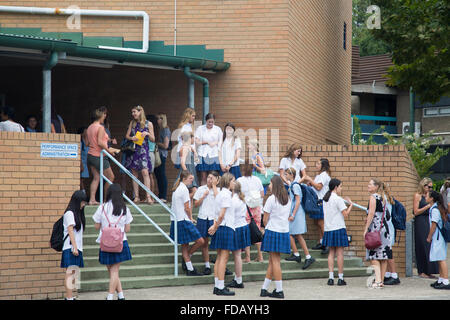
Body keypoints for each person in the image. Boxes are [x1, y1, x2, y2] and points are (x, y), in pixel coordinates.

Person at [93, 184, 133, 300]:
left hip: (105, 242)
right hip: (120, 241)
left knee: (112, 271)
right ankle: (120, 295)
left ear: (108, 193)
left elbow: (96, 226)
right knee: (114, 271)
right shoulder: (125, 208)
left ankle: (110, 297)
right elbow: (127, 229)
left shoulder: (102, 207)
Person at [260, 175, 291, 299]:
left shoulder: (272, 199)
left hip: (273, 230)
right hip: (284, 231)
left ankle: (279, 290)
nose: (269, 186)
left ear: (275, 184)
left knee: (275, 261)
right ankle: (264, 288)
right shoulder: (287, 198)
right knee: (272, 262)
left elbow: (265, 219)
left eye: (270, 184)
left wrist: (266, 229)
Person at [171, 170, 205, 276]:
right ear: (184, 178)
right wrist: (191, 218)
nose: (192, 181)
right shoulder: (183, 189)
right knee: (200, 241)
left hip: (177, 220)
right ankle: (188, 259)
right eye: (190, 178)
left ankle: (189, 267)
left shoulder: (178, 188)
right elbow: (187, 207)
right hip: (183, 220)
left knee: (185, 246)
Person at [208, 173, 238, 296]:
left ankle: (217, 286)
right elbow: (221, 214)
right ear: (228, 182)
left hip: (221, 227)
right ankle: (220, 287)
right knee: (223, 258)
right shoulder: (226, 195)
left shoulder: (220, 194)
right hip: (225, 227)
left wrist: (215, 226)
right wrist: (215, 226)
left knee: (220, 258)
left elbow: (218, 215)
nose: (235, 183)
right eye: (233, 181)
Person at [86, 107, 120, 205]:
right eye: (104, 115)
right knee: (110, 177)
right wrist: (109, 151)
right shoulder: (100, 127)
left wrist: (107, 140)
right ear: (100, 116)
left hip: (91, 155)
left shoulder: (90, 127)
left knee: (96, 178)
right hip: (99, 155)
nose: (105, 116)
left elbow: (88, 143)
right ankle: (106, 200)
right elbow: (100, 143)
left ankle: (92, 199)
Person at [322, 178, 353, 286]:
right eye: (340, 186)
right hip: (338, 227)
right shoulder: (338, 199)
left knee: (331, 253)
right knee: (339, 253)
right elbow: (345, 215)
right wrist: (351, 205)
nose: (341, 188)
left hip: (328, 228)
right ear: (336, 187)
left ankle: (330, 278)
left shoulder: (325, 198)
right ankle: (340, 278)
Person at [284, 168, 315, 270]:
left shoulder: (295, 185)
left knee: (295, 234)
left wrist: (292, 214)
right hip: (295, 212)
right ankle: (298, 254)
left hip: (297, 213)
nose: (285, 176)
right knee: (294, 234)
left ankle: (306, 256)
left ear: (291, 175)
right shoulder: (292, 185)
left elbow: (298, 201)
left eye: (286, 174)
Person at [364, 179, 393, 289]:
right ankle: (381, 281)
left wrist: (366, 229)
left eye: (370, 184)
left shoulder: (373, 197)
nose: (368, 185)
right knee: (384, 256)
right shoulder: (383, 197)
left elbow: (371, 213)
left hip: (375, 229)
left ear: (376, 187)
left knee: (374, 255)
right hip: (384, 229)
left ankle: (377, 280)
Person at [124, 105, 155, 204]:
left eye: (135, 112)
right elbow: (127, 136)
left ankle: (148, 196)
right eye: (132, 112)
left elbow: (153, 139)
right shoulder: (132, 123)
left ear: (140, 112)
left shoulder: (148, 124)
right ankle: (136, 196)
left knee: (145, 172)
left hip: (143, 150)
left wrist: (148, 134)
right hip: (134, 150)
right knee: (134, 173)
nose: (133, 114)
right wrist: (132, 138)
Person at [60, 190, 88, 300]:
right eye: (82, 202)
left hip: (76, 247)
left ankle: (71, 296)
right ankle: (69, 297)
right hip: (70, 247)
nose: (83, 204)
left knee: (74, 272)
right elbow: (70, 231)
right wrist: (75, 247)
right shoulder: (69, 213)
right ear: (77, 201)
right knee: (70, 272)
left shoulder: (77, 214)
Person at [301, 158, 332, 255]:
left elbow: (319, 187)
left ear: (323, 166)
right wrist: (311, 183)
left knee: (321, 223)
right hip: (316, 201)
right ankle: (321, 242)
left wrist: (309, 179)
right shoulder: (319, 175)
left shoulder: (324, 175)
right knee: (317, 223)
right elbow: (316, 187)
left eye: (318, 164)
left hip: (321, 201)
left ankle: (328, 245)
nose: (316, 165)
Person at [193, 171, 220, 275]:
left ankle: (220, 264)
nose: (209, 179)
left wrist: (214, 187)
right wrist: (203, 196)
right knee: (204, 242)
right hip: (203, 217)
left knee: (218, 243)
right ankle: (207, 265)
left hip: (214, 219)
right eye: (208, 177)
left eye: (212, 178)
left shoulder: (219, 190)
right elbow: (195, 204)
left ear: (217, 180)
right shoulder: (201, 189)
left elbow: (220, 201)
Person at [237, 163, 265, 263]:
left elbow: (237, 194)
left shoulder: (239, 180)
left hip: (245, 208)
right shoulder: (257, 179)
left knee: (246, 231)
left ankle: (247, 257)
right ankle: (260, 256)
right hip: (257, 208)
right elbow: (262, 194)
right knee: (257, 230)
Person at [226, 181, 251, 289]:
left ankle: (239, 280)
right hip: (243, 226)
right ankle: (237, 279)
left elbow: (229, 216)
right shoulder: (241, 198)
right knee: (238, 255)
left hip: (236, 227)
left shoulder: (233, 200)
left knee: (236, 255)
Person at [413, 178, 439, 278]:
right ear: (423, 186)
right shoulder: (417, 195)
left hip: (429, 220)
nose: (430, 189)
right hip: (421, 221)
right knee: (422, 245)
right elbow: (416, 212)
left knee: (429, 245)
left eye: (431, 187)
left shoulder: (429, 196)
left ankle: (429, 270)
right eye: (429, 187)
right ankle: (422, 271)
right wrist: (428, 206)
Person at [426, 190, 450, 290]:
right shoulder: (435, 208)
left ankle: (445, 281)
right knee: (439, 258)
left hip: (438, 237)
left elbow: (434, 225)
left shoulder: (435, 210)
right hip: (439, 237)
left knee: (441, 259)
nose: (425, 197)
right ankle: (441, 279)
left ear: (432, 198)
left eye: (427, 196)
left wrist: (429, 237)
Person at [195, 113, 222, 185]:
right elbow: (196, 141)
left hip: (214, 154)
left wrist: (215, 143)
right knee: (203, 176)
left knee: (213, 176)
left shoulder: (218, 129)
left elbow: (221, 141)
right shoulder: (200, 128)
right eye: (209, 122)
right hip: (203, 154)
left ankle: (212, 192)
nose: (211, 123)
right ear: (206, 121)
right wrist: (206, 142)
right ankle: (203, 191)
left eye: (212, 122)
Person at [382, 183, 401, 285]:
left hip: (386, 228)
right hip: (389, 227)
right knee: (387, 251)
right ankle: (388, 274)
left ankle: (394, 275)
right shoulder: (388, 198)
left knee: (388, 252)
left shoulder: (383, 199)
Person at [155, 113, 171, 203]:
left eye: (158, 119)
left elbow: (166, 145)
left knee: (162, 174)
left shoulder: (165, 130)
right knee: (158, 174)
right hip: (158, 154)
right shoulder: (160, 129)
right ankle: (160, 195)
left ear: (162, 120)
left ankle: (163, 195)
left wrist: (156, 143)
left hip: (162, 154)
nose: (157, 121)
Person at [77, 127, 90, 193]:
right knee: (80, 179)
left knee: (83, 179)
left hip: (85, 163)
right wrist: (81, 165)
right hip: (81, 163)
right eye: (85, 132)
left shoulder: (86, 142)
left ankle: (83, 191)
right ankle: (83, 192)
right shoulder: (80, 143)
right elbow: (79, 155)